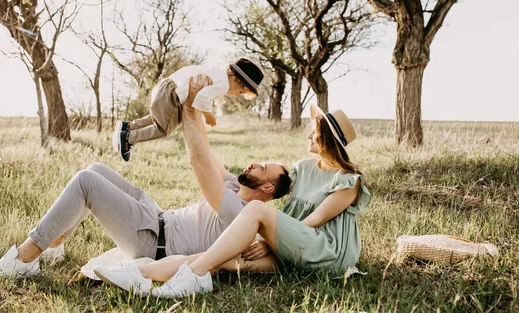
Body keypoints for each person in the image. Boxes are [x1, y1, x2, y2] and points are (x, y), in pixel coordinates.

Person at [0, 76, 290, 279]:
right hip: (155, 217)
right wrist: (195, 103)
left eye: (263, 167)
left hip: (152, 243)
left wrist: (190, 101)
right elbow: (205, 148)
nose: (254, 163)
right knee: (96, 169)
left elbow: (196, 159)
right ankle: (54, 245)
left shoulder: (239, 213)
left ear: (266, 187)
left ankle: (24, 259)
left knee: (87, 183)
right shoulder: (234, 187)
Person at [96, 104, 371, 297]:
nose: (308, 135)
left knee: (254, 210)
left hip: (326, 253)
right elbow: (275, 184)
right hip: (295, 247)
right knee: (223, 258)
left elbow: (314, 221)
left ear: (329, 140)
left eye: (315, 131)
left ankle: (194, 276)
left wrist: (270, 239)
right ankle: (142, 274)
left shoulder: (349, 181)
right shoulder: (303, 168)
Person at [112, 57, 264, 161]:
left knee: (163, 118)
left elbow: (211, 92)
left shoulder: (219, 74)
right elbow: (203, 97)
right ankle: (128, 138)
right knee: (164, 129)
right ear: (238, 81)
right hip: (173, 93)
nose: (237, 95)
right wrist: (208, 115)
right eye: (241, 91)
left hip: (166, 86)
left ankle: (129, 126)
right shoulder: (223, 84)